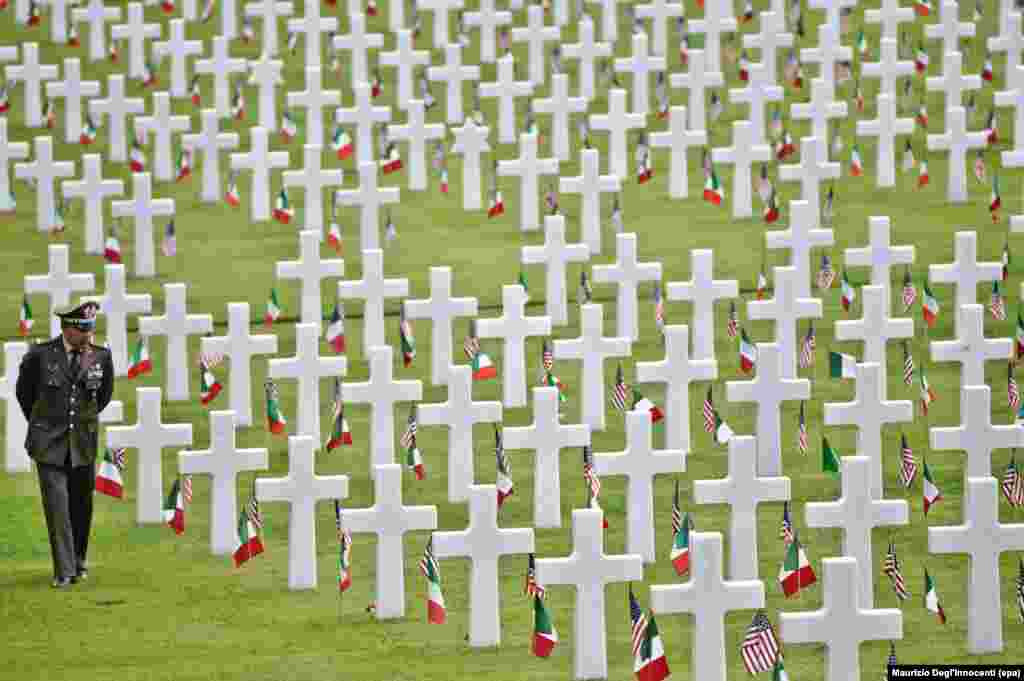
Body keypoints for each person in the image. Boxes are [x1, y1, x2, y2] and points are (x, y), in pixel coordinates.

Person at [16, 301, 114, 588]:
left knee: (81, 507)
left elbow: (103, 396)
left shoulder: (101, 357)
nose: (88, 335)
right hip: (48, 444)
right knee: (57, 506)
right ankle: (64, 571)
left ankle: (79, 560)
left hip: (82, 443)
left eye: (90, 329)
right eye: (82, 329)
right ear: (67, 329)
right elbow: (25, 394)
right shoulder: (40, 355)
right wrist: (43, 424)